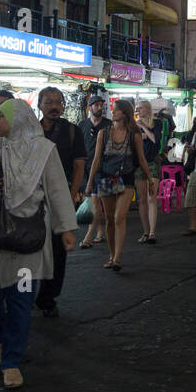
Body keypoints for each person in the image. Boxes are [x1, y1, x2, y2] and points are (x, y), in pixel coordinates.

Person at [0, 99, 77, 389]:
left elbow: (57, 189)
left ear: (18, 118)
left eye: (2, 116)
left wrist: (66, 228)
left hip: (27, 243)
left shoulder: (44, 151)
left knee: (20, 301)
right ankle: (5, 339)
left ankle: (11, 361)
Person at [85, 99, 153, 270]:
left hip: (126, 179)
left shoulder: (134, 134)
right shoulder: (103, 133)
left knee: (119, 217)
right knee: (109, 219)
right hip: (105, 178)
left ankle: (117, 258)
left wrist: (150, 179)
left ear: (124, 113)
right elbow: (96, 159)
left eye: (115, 110)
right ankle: (111, 254)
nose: (112, 113)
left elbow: (142, 159)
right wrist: (90, 182)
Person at [35, 88, 85, 316]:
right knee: (28, 247)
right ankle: (24, 293)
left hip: (60, 198)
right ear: (39, 105)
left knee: (57, 249)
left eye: (58, 102)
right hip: (31, 200)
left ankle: (48, 298)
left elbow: (78, 165)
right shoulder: (30, 131)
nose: (54, 106)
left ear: (64, 106)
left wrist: (72, 195)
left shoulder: (72, 131)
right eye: (49, 102)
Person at [78, 96, 110, 247]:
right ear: (89, 108)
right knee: (93, 202)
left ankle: (89, 236)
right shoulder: (82, 125)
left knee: (99, 203)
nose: (99, 107)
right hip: (87, 170)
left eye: (101, 105)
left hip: (104, 170)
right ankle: (99, 232)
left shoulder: (108, 125)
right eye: (96, 105)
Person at [134, 100, 164, 245]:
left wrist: (144, 128)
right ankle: (146, 232)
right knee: (142, 200)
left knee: (152, 197)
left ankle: (152, 232)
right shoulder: (134, 126)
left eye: (140, 108)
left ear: (147, 109)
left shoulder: (156, 123)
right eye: (137, 109)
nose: (138, 111)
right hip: (139, 164)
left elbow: (155, 140)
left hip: (152, 162)